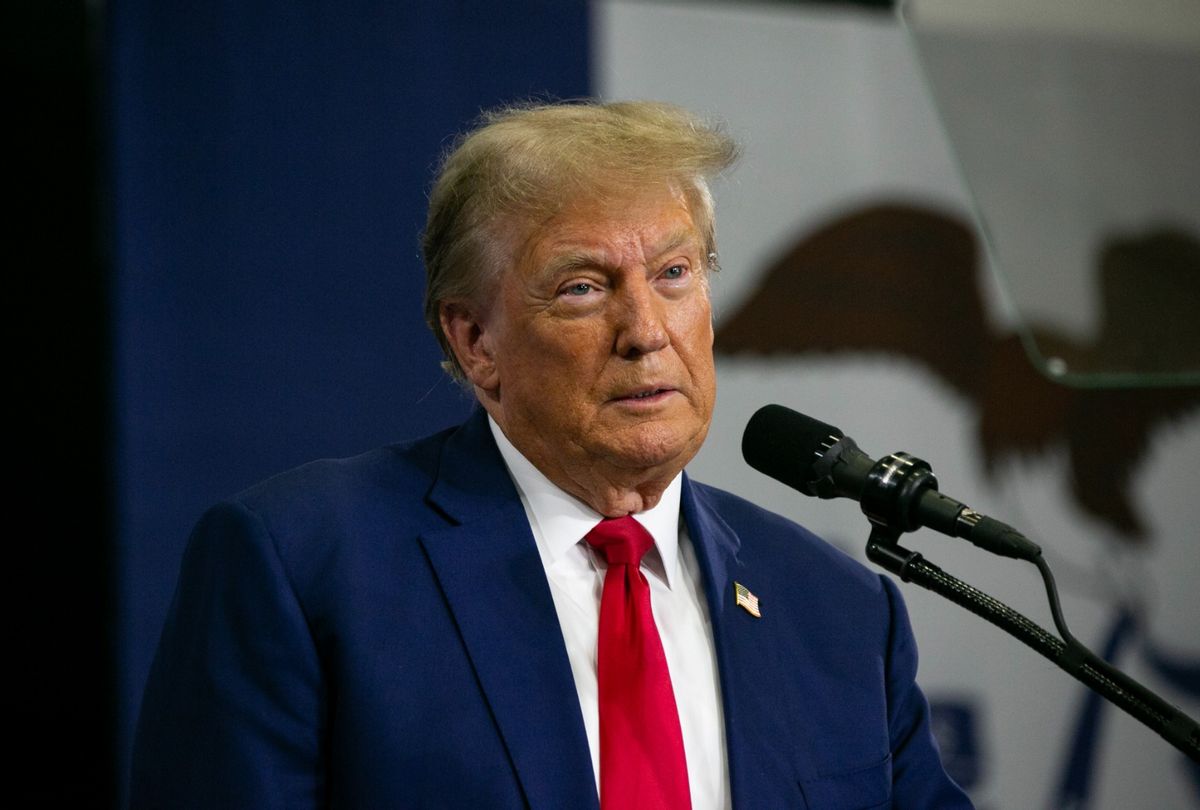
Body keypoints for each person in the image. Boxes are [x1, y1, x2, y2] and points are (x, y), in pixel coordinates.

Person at [131, 100, 972, 809]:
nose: (646, 332)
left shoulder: (839, 611)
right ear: (474, 342)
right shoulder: (305, 565)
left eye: (674, 273)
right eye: (583, 287)